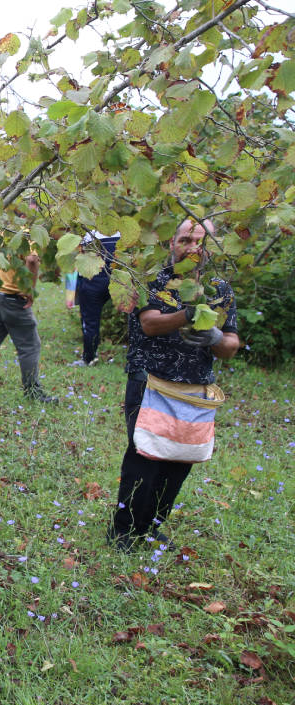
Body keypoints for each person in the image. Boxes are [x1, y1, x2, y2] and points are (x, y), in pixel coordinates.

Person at [107, 218, 239, 550]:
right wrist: (190, 315)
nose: (193, 247)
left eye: (200, 241)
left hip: (194, 390)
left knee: (180, 460)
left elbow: (231, 345)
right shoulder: (151, 278)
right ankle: (124, 530)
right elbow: (150, 324)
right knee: (145, 457)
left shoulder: (220, 289)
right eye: (185, 239)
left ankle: (150, 525)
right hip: (149, 382)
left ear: (211, 247)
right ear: (172, 243)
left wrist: (215, 336)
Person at [0, 241, 56, 402]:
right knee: (30, 346)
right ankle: (33, 392)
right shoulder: (27, 236)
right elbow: (32, 260)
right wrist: (29, 289)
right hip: (13, 298)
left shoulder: (2, 232)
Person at [71, 230, 121, 366]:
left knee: (90, 322)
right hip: (119, 281)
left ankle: (89, 358)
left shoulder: (87, 234)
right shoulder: (122, 233)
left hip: (93, 283)